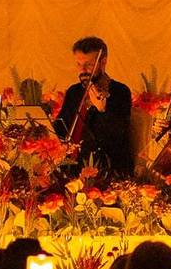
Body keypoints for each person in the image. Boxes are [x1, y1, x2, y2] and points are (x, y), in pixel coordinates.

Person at [54, 36, 133, 177]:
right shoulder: (74, 91)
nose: (82, 70)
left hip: (104, 167)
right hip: (71, 166)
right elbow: (60, 127)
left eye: (89, 65)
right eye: (78, 64)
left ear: (103, 62)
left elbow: (118, 137)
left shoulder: (120, 91)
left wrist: (102, 110)